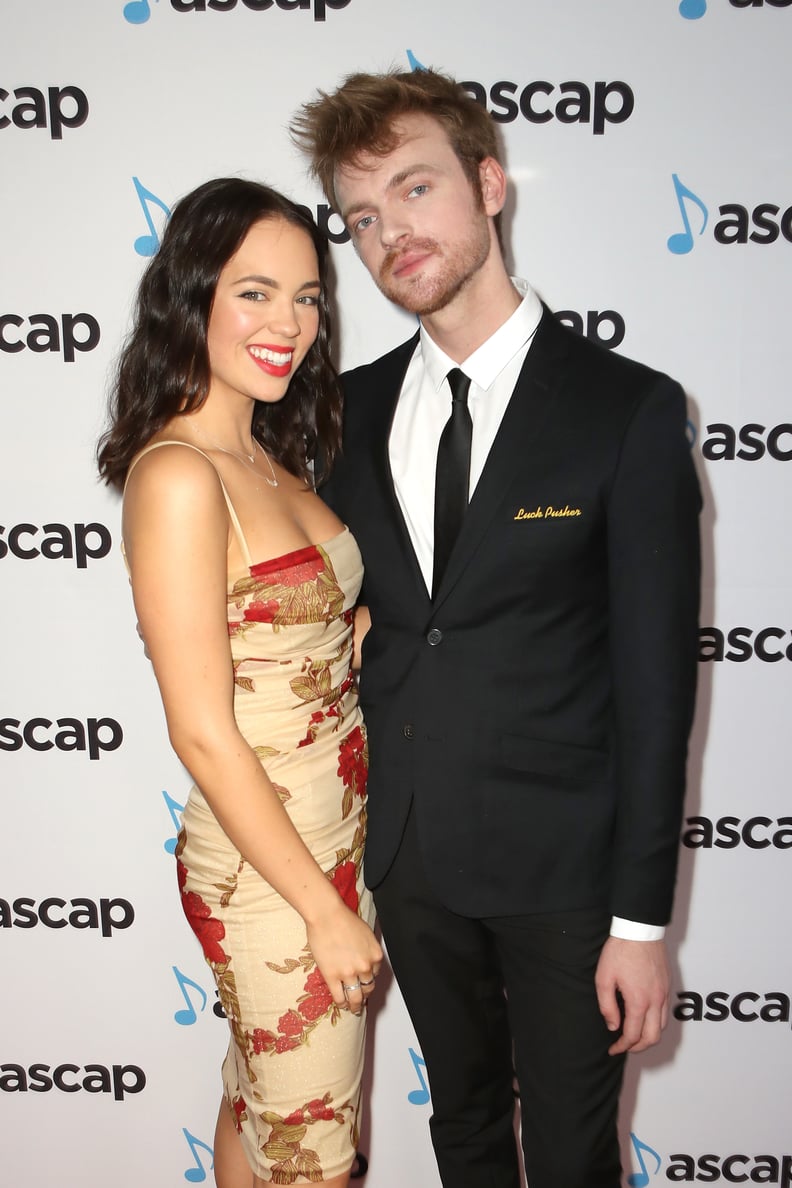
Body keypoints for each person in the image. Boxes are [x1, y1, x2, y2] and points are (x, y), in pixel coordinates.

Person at [291, 70, 701, 1188]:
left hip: (568, 875)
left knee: (573, 1158)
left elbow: (660, 689)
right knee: (463, 1133)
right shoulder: (344, 411)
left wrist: (641, 923)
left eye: (416, 190)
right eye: (363, 217)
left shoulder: (626, 409)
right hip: (408, 859)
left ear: (488, 183)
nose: (391, 236)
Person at [97, 177, 382, 1188]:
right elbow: (203, 732)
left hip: (327, 840)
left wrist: (342, 633)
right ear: (194, 296)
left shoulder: (264, 454)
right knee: (315, 1156)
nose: (291, 324)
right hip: (274, 877)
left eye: (308, 297)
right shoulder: (178, 474)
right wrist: (323, 911)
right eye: (256, 292)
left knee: (260, 1105)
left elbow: (275, 630)